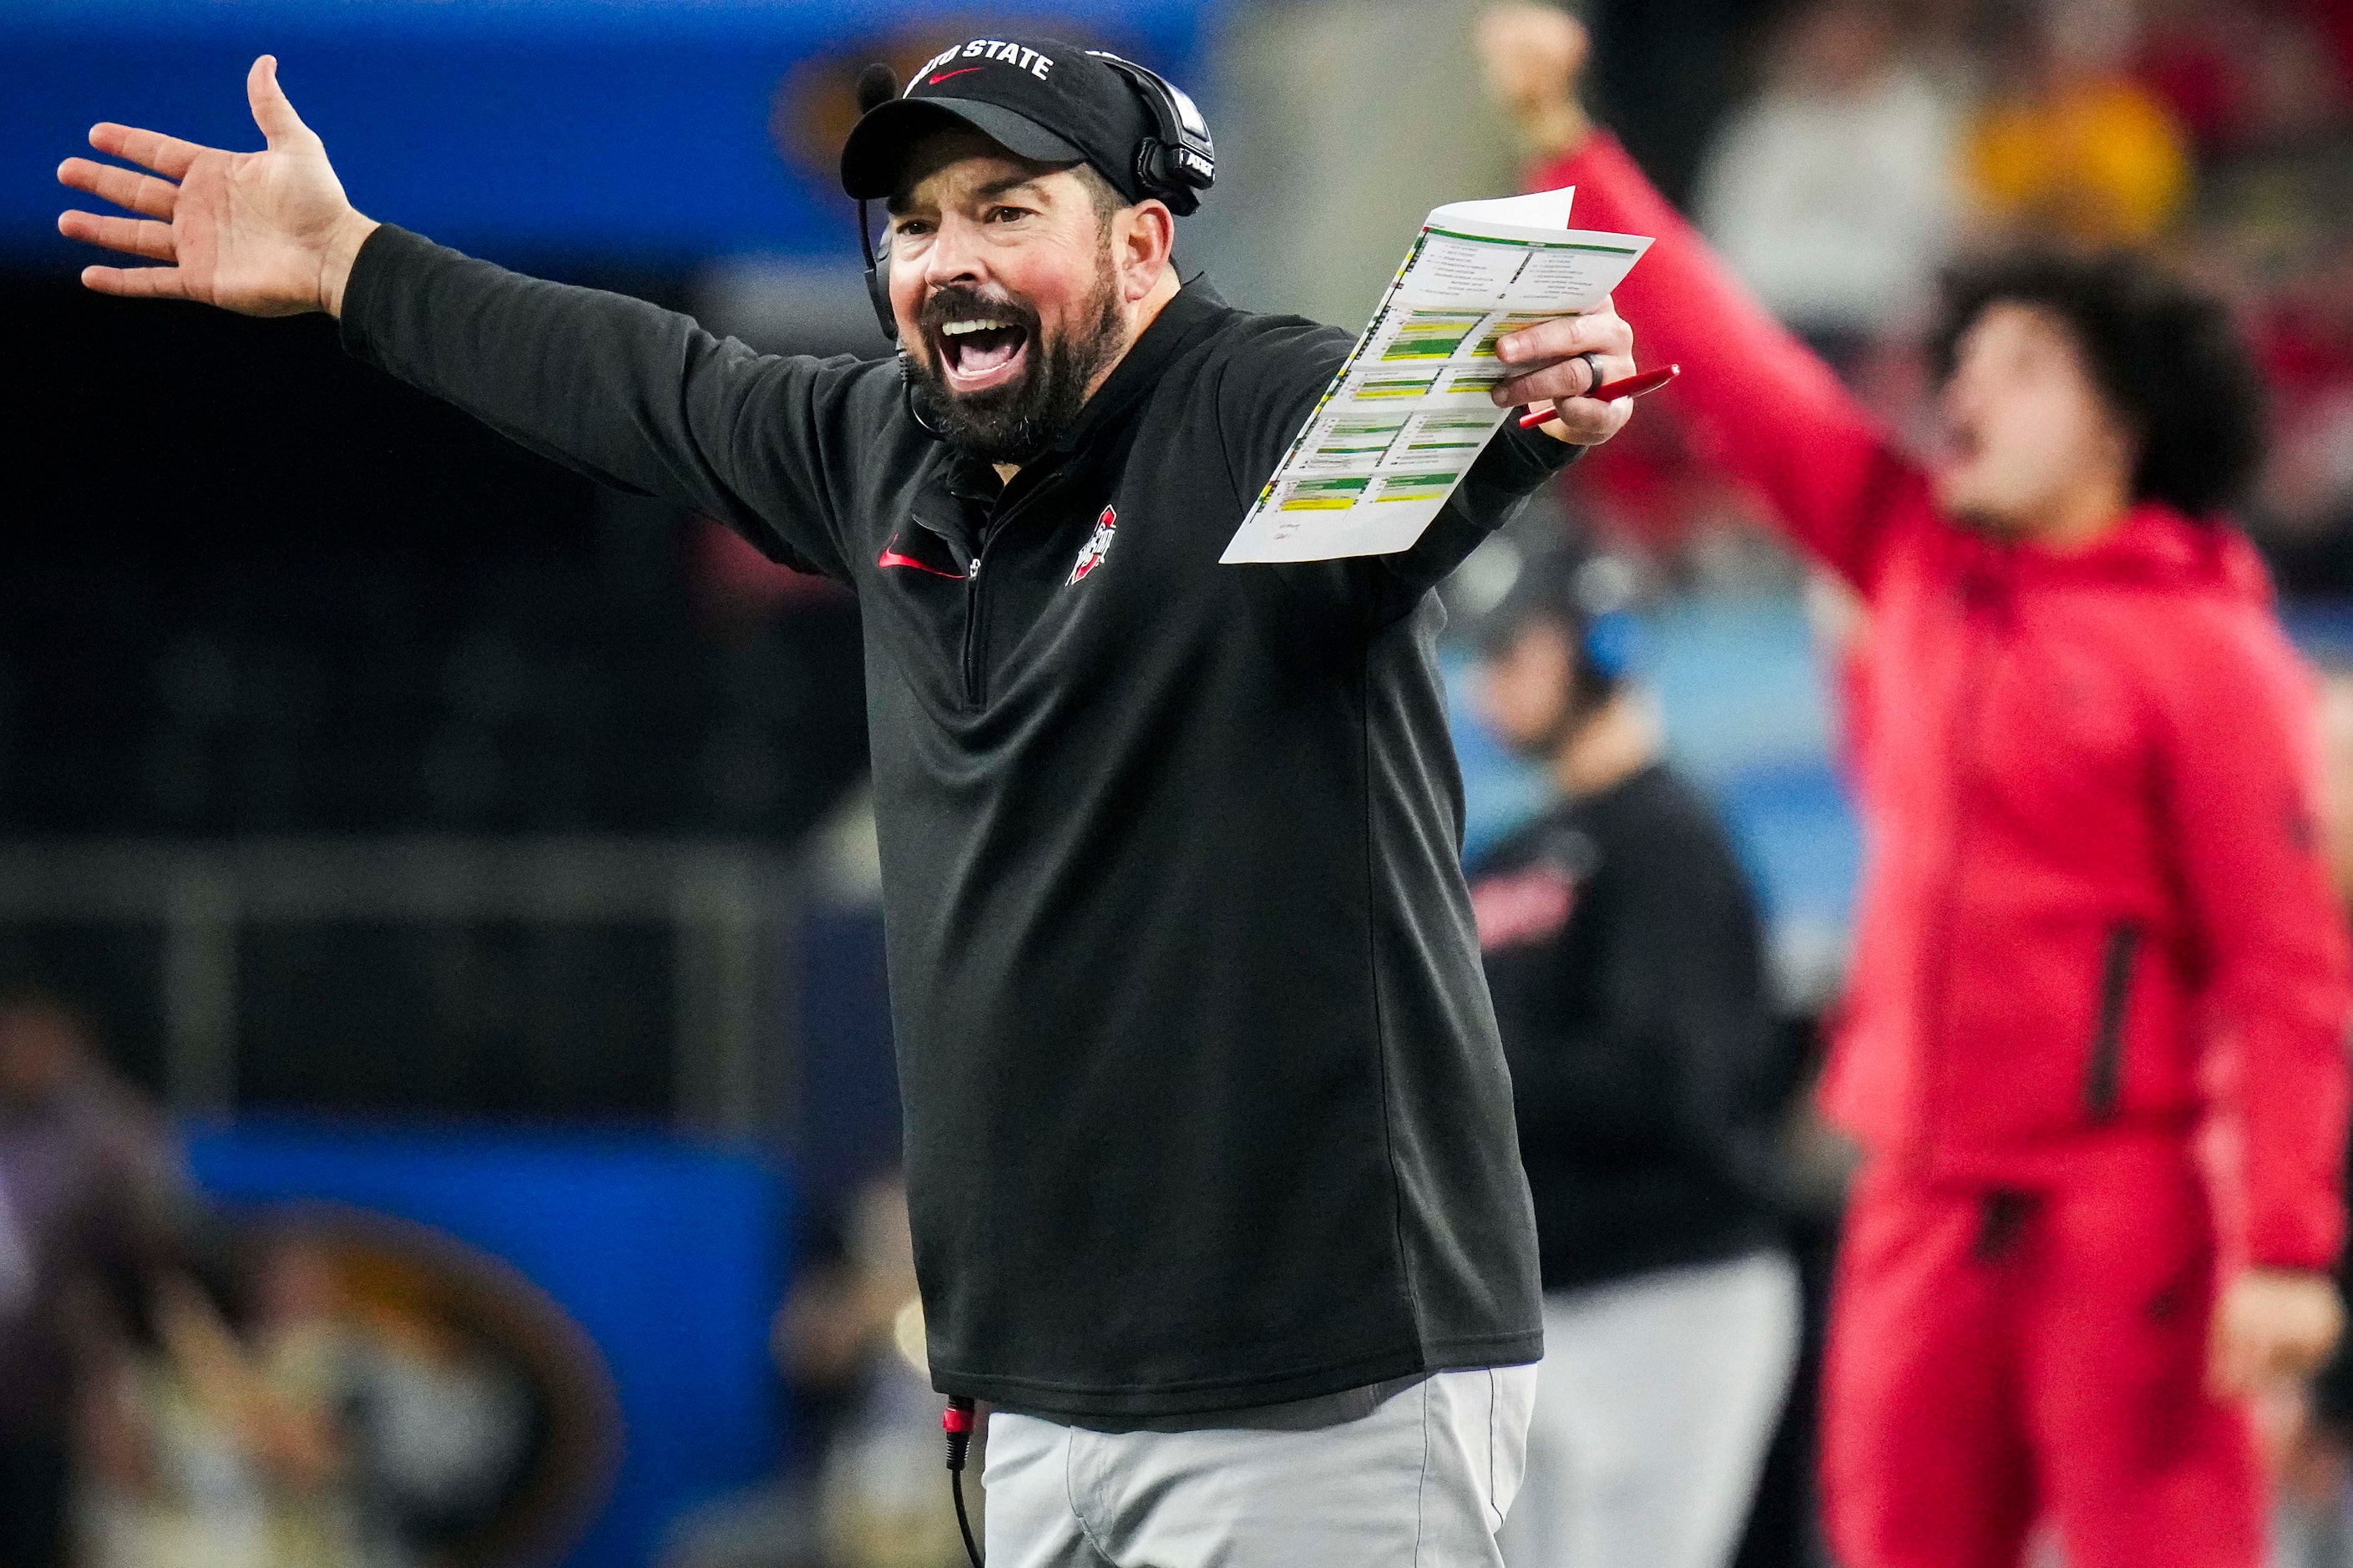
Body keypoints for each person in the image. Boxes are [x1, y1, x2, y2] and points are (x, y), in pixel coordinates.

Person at [58, 40, 1644, 1565]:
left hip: (1319, 1382)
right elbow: (636, 378)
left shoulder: (1247, 410)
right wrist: (352, 263)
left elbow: (1416, 448)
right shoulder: (885, 448)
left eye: (1006, 212)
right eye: (915, 222)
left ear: (1143, 243)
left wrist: (1515, 414)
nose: (945, 258)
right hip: (1035, 1389)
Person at [1476, 7, 2353, 1568]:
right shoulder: (1914, 556)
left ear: (2121, 420)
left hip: (2124, 1202)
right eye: (1960, 358)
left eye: (2016, 365)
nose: (1959, 391)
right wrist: (1570, 145)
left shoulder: (2209, 650)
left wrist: (2284, 1245)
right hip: (1917, 1197)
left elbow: (2285, 963)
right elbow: (1741, 369)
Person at [1466, 547, 1798, 1568]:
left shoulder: (1666, 839)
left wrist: (1477, 1087)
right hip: (1532, 1305)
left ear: (1602, 645)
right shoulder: (1507, 855)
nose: (1491, 682)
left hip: (1670, 1294)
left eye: (1516, 644)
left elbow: (1677, 1083)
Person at [0, 989, 187, 1568]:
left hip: (56, 1395)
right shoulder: (13, 1127)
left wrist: (111, 1383)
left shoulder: (111, 1136)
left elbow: (148, 1269)